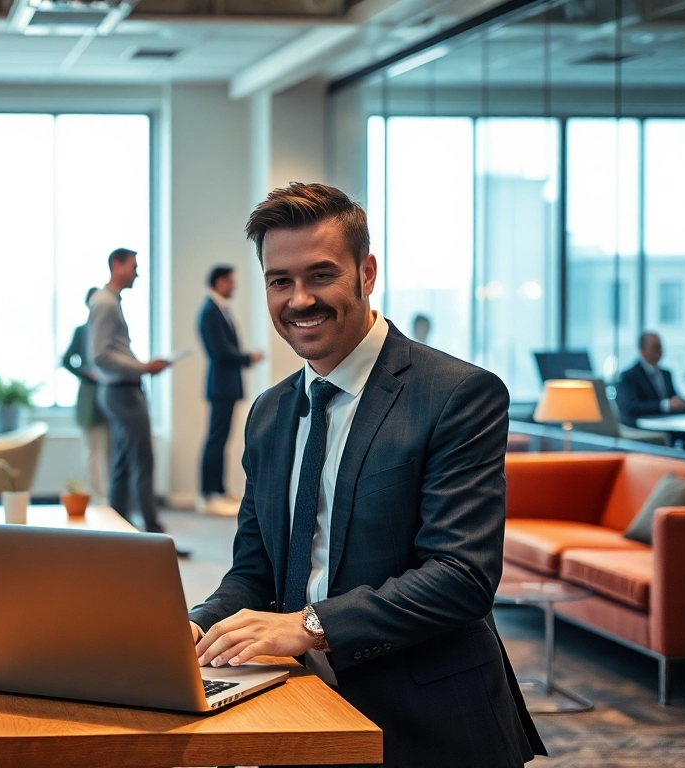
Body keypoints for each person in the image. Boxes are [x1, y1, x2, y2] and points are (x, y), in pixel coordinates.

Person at [189, 183, 543, 768]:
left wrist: (309, 626)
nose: (299, 299)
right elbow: (254, 572)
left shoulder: (457, 395)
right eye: (280, 281)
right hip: (297, 707)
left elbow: (461, 576)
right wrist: (197, 626)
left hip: (428, 722)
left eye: (320, 275)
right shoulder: (270, 413)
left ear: (366, 272)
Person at [88, 248, 177, 542]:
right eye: (133, 266)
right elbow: (99, 355)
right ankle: (152, 533)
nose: (137, 272)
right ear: (116, 265)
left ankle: (120, 529)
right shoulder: (105, 302)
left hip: (120, 390)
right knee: (142, 460)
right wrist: (143, 367)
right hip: (121, 392)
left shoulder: (110, 301)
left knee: (125, 463)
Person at [197, 265, 263, 516]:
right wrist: (248, 358)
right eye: (230, 281)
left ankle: (219, 489)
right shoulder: (210, 311)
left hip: (227, 385)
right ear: (219, 282)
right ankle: (209, 494)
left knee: (221, 439)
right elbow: (221, 352)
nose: (233, 286)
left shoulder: (219, 309)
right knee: (216, 439)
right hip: (221, 385)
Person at [62, 287, 110, 499]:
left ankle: (112, 497)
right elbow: (66, 361)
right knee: (93, 451)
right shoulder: (82, 331)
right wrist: (87, 373)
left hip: (110, 394)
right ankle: (98, 497)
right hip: (90, 398)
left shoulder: (110, 331)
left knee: (111, 452)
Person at [615, 331, 685, 427]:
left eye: (660, 347)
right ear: (642, 350)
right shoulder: (629, 376)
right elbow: (630, 408)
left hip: (670, 425)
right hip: (645, 429)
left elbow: (673, 399)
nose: (660, 351)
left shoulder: (666, 374)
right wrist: (666, 405)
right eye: (655, 347)